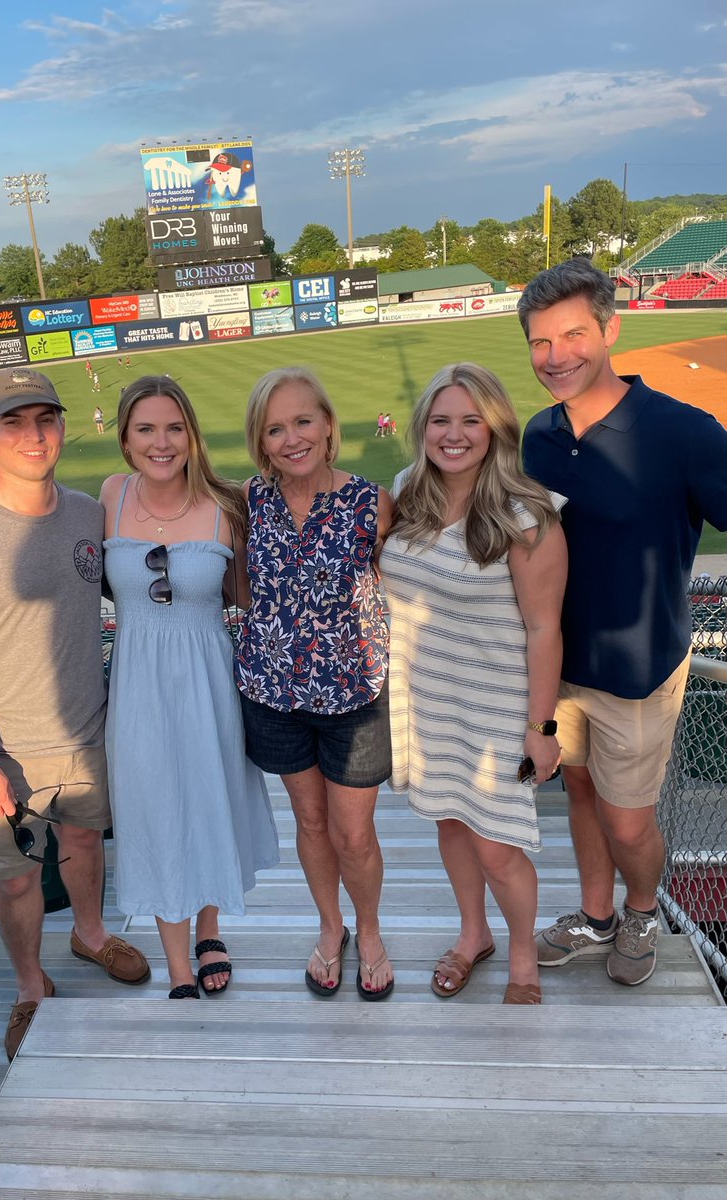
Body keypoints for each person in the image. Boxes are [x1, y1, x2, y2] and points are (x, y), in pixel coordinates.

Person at [0, 365, 150, 1060]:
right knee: (16, 880)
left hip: (85, 733)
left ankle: (91, 934)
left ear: (63, 427)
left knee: (83, 848)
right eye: (12, 421)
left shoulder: (86, 515)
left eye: (44, 418)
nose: (32, 434)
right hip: (2, 754)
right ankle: (28, 987)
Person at [519, 258, 727, 986]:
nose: (555, 357)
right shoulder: (538, 438)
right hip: (558, 665)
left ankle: (641, 912)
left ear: (610, 329)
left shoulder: (685, 432)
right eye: (539, 343)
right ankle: (596, 914)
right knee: (577, 791)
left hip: (639, 671)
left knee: (628, 820)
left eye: (572, 335)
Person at [381, 363, 567, 1005]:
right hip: (427, 703)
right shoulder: (408, 492)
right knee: (450, 824)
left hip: (494, 709)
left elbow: (545, 630)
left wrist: (542, 730)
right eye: (441, 420)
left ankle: (522, 955)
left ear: (496, 430)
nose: (454, 434)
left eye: (470, 421)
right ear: (423, 428)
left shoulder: (527, 516)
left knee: (498, 846)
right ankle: (472, 934)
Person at [100, 375, 278, 998]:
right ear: (125, 437)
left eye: (174, 427)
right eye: (146, 428)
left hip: (209, 683)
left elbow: (257, 597)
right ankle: (177, 963)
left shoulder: (231, 505)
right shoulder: (110, 496)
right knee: (154, 810)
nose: (162, 442)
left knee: (209, 799)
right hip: (138, 687)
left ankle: (209, 929)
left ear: (192, 434)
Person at [236, 367, 395, 1001]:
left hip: (354, 698)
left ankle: (371, 931)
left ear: (329, 424)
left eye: (303, 421)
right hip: (274, 696)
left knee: (353, 832)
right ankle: (331, 929)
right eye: (275, 428)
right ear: (261, 440)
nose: (291, 438)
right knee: (309, 822)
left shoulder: (372, 502)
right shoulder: (250, 499)